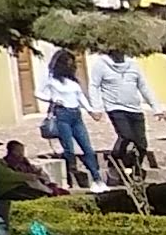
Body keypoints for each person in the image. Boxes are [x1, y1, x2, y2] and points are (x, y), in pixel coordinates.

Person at [89, 45, 156, 179]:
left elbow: (143, 86)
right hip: (115, 108)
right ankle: (114, 160)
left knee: (142, 144)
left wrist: (156, 107)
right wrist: (96, 107)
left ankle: (133, 166)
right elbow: (94, 86)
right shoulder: (101, 65)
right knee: (126, 136)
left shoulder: (133, 64)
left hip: (135, 108)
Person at [37, 47, 99, 191]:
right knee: (69, 149)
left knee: (87, 148)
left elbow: (80, 96)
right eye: (69, 63)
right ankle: (69, 178)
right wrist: (52, 99)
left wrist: (90, 110)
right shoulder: (51, 78)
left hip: (76, 115)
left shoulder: (72, 80)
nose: (72, 66)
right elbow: (38, 92)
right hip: (62, 114)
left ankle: (97, 178)